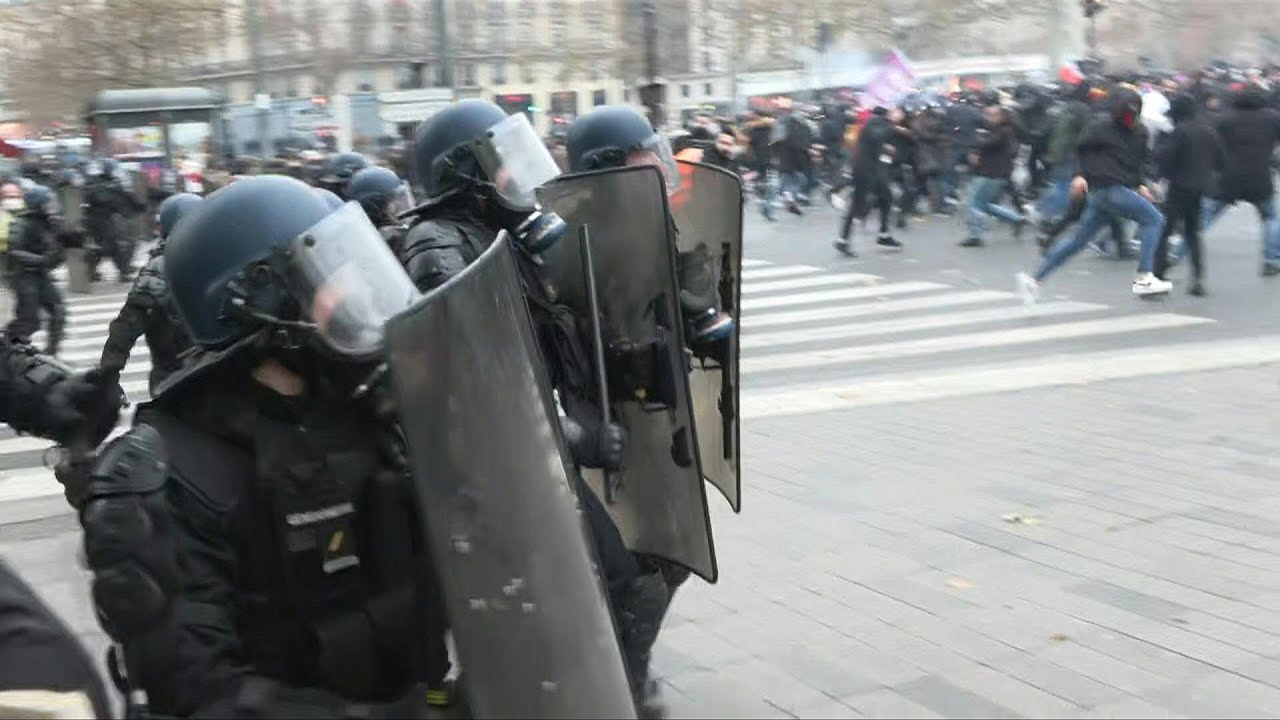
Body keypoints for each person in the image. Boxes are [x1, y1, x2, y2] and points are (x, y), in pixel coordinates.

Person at [80, 175, 459, 718]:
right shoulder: (163, 477)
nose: (353, 294)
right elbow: (196, 691)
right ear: (257, 301)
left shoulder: (367, 413)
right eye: (328, 279)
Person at [567, 104, 735, 345]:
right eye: (644, 154)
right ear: (608, 169)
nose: (663, 167)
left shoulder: (648, 220)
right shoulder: (583, 239)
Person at [1019, 87, 1170, 301]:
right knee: (1154, 219)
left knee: (1077, 241)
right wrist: (1080, 175)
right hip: (1108, 188)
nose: (1129, 117)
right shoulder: (1101, 126)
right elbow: (1080, 151)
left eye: (1133, 113)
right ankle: (1145, 278)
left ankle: (1034, 281)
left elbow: (1138, 163)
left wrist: (1140, 184)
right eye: (1126, 113)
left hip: (1106, 193)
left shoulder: (1139, 132)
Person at [97, 193, 201, 394]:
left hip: (173, 379)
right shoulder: (218, 261)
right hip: (210, 376)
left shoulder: (158, 270)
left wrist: (107, 378)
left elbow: (124, 330)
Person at [1202, 83, 1280, 276]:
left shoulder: (1225, 119)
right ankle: (1271, 259)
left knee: (1204, 217)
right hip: (1260, 176)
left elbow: (1211, 144)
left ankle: (1176, 253)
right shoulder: (1272, 118)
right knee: (1270, 218)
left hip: (1228, 177)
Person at [1152, 94, 1224, 295]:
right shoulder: (1209, 131)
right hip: (1200, 188)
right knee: (1193, 234)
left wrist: (1159, 174)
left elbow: (1166, 157)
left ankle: (1158, 275)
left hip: (1179, 187)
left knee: (1164, 231)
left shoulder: (1180, 131)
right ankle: (1198, 279)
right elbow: (1220, 160)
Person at [6, 185, 68, 356]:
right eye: (47, 203)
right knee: (30, 321)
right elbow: (15, 250)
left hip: (41, 275)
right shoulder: (21, 223)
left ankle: (51, 353)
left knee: (58, 310)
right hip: (24, 277)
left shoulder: (50, 223)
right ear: (38, 204)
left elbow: (57, 248)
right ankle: (7, 347)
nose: (51, 206)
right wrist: (41, 260)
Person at [835, 106, 898, 256]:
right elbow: (878, 137)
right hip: (864, 170)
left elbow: (876, 143)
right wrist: (892, 123)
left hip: (871, 169)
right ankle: (843, 240)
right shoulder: (874, 123)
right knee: (857, 204)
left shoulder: (874, 122)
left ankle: (884, 234)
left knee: (886, 197)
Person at [961, 104, 1027, 248]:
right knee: (984, 204)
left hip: (991, 172)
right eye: (987, 114)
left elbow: (987, 144)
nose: (988, 118)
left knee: (974, 203)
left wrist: (978, 139)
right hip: (995, 172)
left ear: (1002, 116)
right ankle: (1016, 219)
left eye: (992, 115)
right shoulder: (1000, 130)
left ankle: (975, 235)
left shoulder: (1003, 131)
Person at [83, 159, 144, 283]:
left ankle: (94, 270)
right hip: (97, 219)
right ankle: (122, 271)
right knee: (109, 246)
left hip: (106, 218)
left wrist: (136, 206)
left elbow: (123, 197)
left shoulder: (110, 183)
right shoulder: (95, 183)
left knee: (107, 245)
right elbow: (101, 198)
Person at [0, 182, 23, 281]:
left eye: (15, 196)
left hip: (22, 249)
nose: (12, 200)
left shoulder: (26, 209)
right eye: (9, 197)